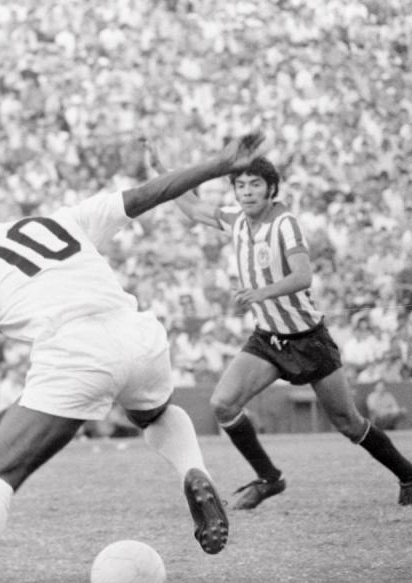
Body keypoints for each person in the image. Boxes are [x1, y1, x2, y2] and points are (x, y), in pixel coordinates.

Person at [0, 133, 268, 583]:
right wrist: (220, 165)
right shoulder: (56, 220)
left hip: (76, 350)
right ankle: (192, 470)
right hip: (139, 334)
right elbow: (146, 195)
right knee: (154, 414)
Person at [145, 142, 412, 509]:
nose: (247, 192)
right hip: (268, 340)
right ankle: (270, 479)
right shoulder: (236, 221)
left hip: (308, 339)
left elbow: (303, 275)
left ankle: (407, 474)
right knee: (223, 404)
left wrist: (262, 292)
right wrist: (164, 169)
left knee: (349, 423)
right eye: (240, 185)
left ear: (271, 189)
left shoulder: (285, 224)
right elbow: (192, 208)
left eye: (255, 184)